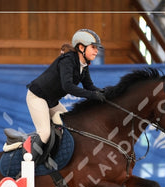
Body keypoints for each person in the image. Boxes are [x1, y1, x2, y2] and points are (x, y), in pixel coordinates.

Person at [26, 29, 106, 162]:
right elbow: (67, 86)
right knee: (45, 133)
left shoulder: (84, 65)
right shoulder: (68, 60)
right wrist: (93, 95)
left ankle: (51, 159)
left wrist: (107, 94)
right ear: (81, 47)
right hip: (37, 97)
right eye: (93, 47)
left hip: (51, 101)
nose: (96, 51)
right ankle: (29, 166)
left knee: (70, 127)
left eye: (97, 48)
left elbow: (89, 86)